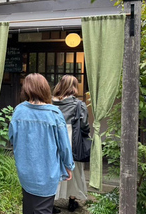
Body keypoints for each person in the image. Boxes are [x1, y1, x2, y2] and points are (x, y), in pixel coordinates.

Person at [9, 73, 75, 214]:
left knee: (28, 206)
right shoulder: (54, 114)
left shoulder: (19, 111)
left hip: (25, 171)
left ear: (26, 89)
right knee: (43, 209)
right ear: (45, 88)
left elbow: (12, 139)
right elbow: (64, 145)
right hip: (47, 172)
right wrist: (69, 166)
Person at [52, 75, 90, 212]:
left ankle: (49, 201)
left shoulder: (50, 103)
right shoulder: (79, 105)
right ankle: (72, 201)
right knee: (74, 170)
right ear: (74, 86)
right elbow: (85, 126)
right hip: (72, 142)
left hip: (53, 139)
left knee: (52, 170)